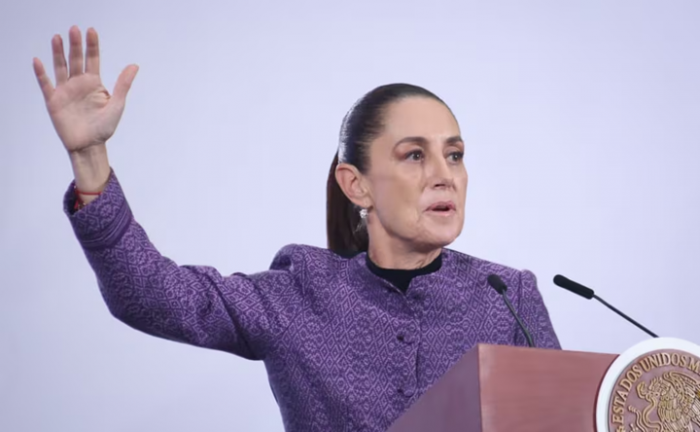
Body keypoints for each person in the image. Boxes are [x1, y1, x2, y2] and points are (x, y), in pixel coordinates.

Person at [33, 25, 560, 432]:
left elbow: (563, 415)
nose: (445, 175)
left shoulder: (507, 297)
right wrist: (90, 160)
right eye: (415, 155)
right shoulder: (300, 294)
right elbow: (150, 295)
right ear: (356, 185)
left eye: (455, 155)